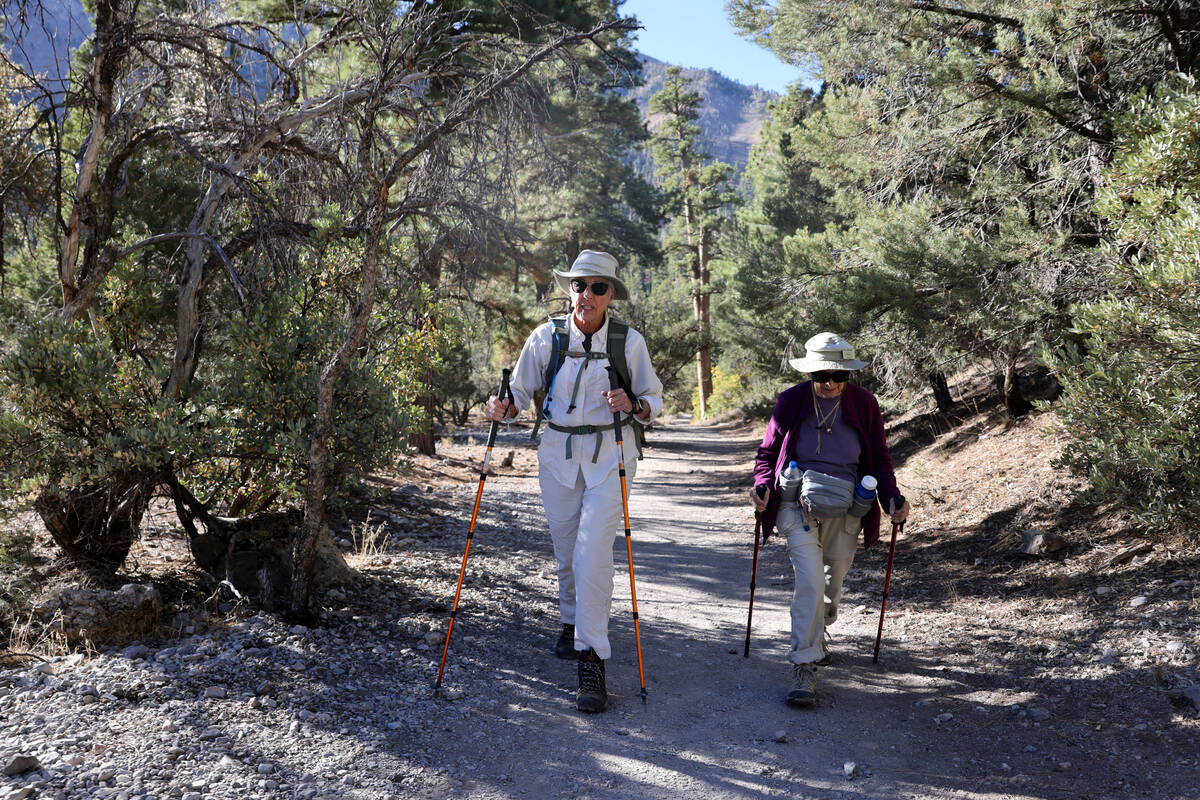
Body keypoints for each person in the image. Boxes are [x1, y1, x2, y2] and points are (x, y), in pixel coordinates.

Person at [484, 249, 663, 713]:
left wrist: (635, 405)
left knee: (591, 551)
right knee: (566, 547)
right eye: (579, 285)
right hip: (558, 458)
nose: (586, 294)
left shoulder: (629, 342)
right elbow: (518, 393)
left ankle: (592, 657)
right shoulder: (546, 339)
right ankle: (570, 619)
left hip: (612, 456)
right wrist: (500, 406)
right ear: (569, 290)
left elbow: (654, 400)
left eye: (597, 287)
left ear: (610, 296)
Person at [749, 332, 911, 708]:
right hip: (796, 502)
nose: (829, 384)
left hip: (848, 504)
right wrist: (761, 485)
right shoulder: (791, 401)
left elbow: (881, 459)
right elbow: (767, 453)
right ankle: (805, 665)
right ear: (809, 374)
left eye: (839, 376)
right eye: (821, 376)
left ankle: (819, 630)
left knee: (831, 586)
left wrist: (891, 499)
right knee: (808, 581)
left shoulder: (864, 404)